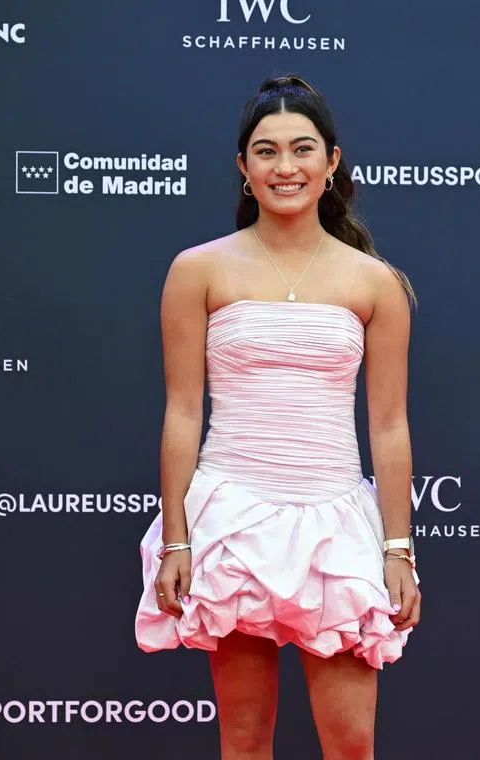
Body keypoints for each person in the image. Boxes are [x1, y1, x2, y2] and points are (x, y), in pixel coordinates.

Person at [134, 74, 421, 760]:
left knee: (352, 746)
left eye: (301, 149)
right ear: (243, 168)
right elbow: (182, 413)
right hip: (233, 519)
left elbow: (388, 425)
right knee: (243, 742)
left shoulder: (373, 281)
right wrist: (177, 540)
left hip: (336, 525)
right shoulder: (197, 270)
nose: (284, 167)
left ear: (331, 162)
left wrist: (398, 548)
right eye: (266, 152)